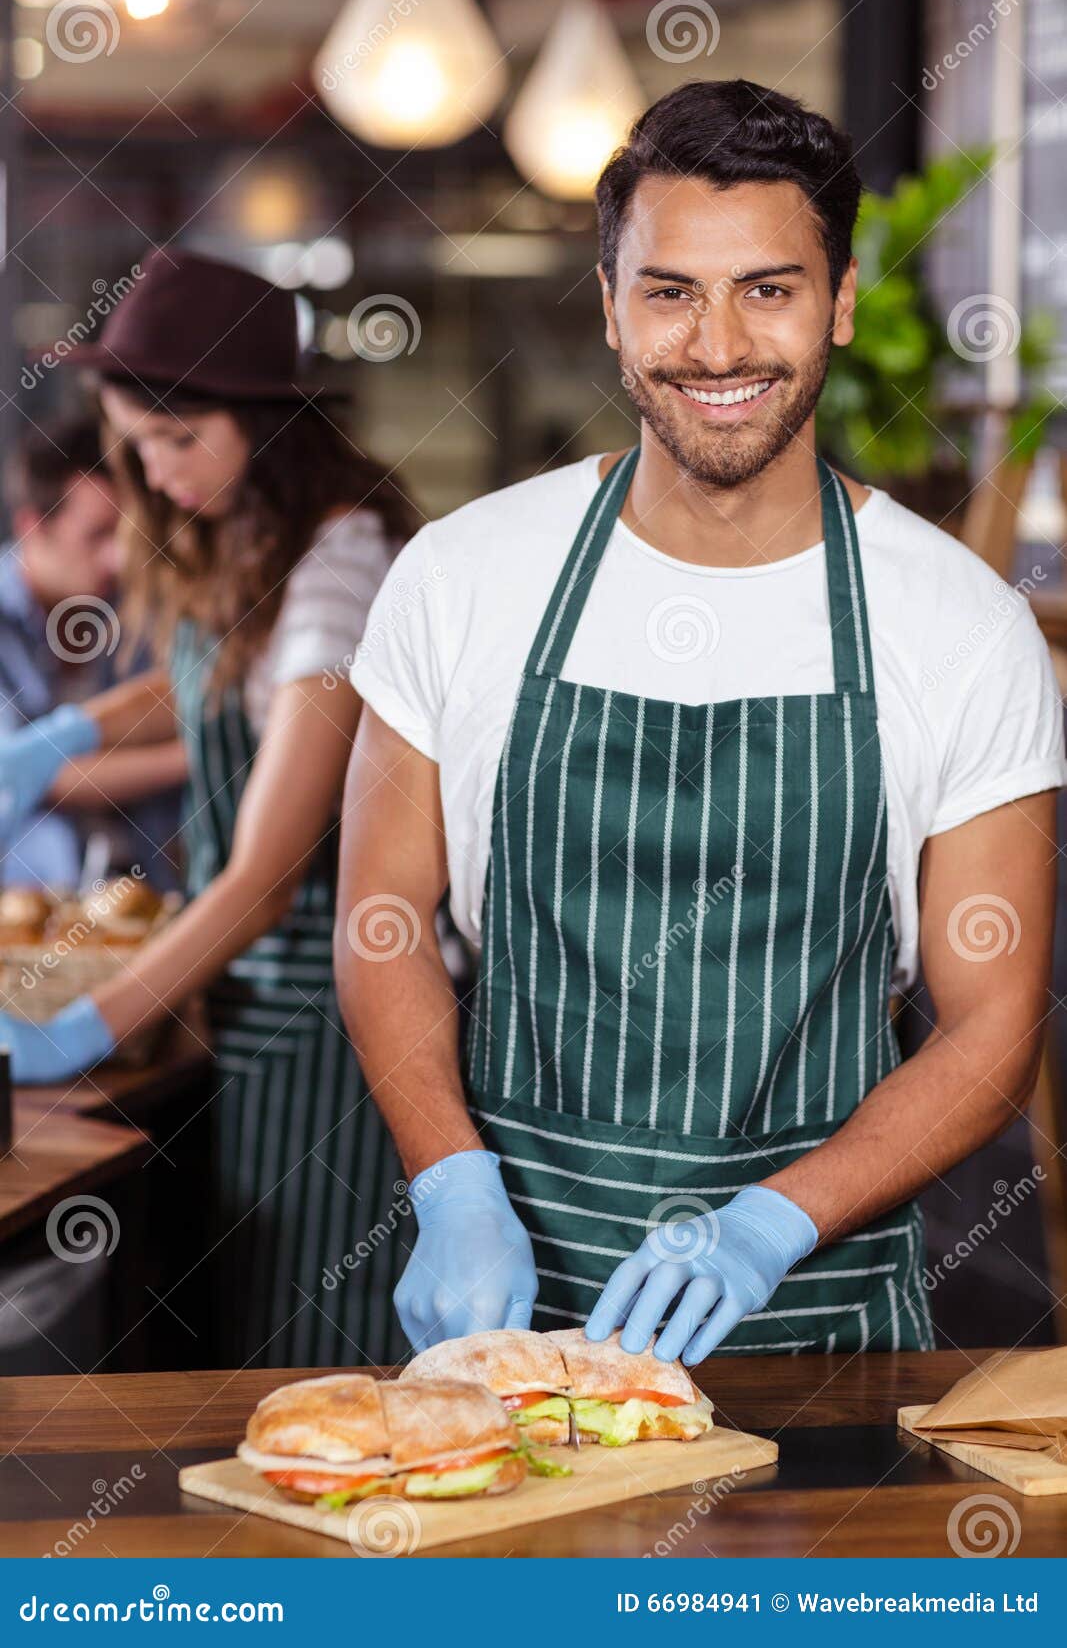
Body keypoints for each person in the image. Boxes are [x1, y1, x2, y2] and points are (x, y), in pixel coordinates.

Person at [334, 79, 1066, 1363]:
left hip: (820, 1325)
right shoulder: (462, 577)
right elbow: (380, 917)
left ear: (836, 303)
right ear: (609, 306)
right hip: (506, 1325)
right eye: (669, 291)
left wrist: (770, 1223)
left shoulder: (959, 625)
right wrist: (449, 1183)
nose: (716, 347)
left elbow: (993, 1023)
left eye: (766, 289)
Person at [0, 247, 419, 1368]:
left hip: (335, 1017)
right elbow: (206, 679)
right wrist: (56, 741)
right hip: (252, 1011)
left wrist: (77, 1033)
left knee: (321, 1344)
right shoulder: (245, 539)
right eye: (140, 444)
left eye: (182, 439)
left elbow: (263, 874)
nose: (162, 469)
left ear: (266, 420)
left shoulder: (341, 561)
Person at [0, 417, 183, 890]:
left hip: (140, 890)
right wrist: (199, 753)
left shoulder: (130, 606)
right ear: (32, 527)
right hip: (25, 909)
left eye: (123, 533)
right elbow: (45, 777)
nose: (117, 558)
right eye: (97, 534)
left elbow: (177, 695)